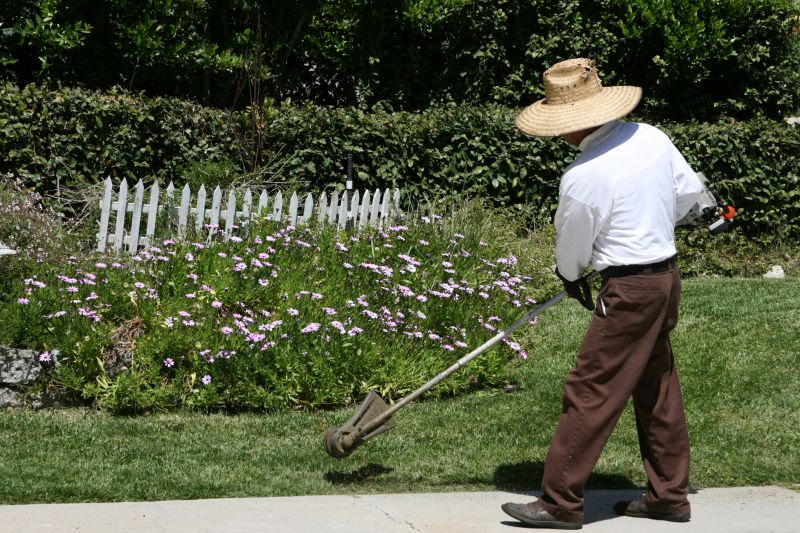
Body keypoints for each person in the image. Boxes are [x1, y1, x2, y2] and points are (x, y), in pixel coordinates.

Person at [500, 58, 704, 530]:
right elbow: (688, 193)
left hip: (629, 290)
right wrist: (646, 224)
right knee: (657, 387)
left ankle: (559, 502)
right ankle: (669, 496)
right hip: (664, 279)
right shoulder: (651, 136)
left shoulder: (583, 176)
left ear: (574, 124)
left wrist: (571, 275)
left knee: (591, 389)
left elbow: (573, 252)